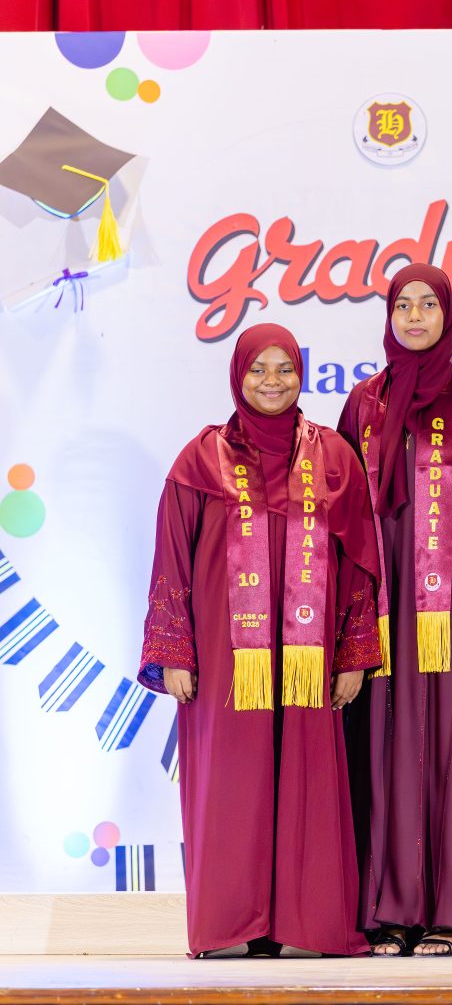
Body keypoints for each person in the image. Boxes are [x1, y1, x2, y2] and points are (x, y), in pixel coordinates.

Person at [138, 323, 381, 958]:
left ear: (302, 374)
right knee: (233, 778)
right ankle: (234, 923)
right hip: (225, 656)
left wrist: (354, 654)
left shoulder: (334, 457)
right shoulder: (201, 459)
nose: (272, 382)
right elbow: (172, 560)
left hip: (308, 653)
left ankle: (302, 922)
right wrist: (173, 653)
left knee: (306, 775)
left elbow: (361, 563)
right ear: (237, 374)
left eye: (285, 369)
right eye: (258, 369)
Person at [338, 264, 452, 957]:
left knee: (451, 753)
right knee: (384, 755)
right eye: (402, 306)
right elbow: (340, 518)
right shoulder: (363, 406)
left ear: (449, 315)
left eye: (427, 305)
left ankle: (451, 909)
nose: (414, 317)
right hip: (383, 615)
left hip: (451, 623)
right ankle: (388, 909)